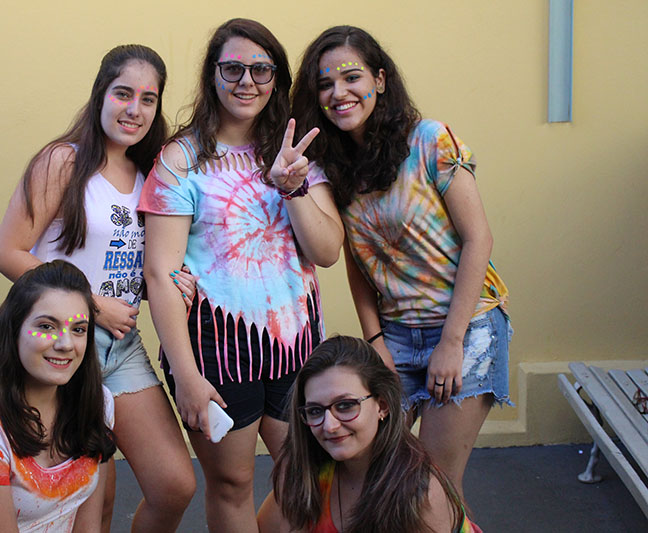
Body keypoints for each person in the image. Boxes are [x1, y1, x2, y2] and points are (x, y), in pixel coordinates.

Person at [289, 25, 512, 499]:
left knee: (434, 484)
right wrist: (376, 344)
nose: (338, 93)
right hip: (395, 336)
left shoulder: (430, 141)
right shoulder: (334, 166)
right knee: (369, 469)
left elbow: (479, 239)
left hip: (467, 327)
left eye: (351, 77)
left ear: (380, 80)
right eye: (325, 84)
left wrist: (451, 342)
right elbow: (357, 263)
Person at [139, 18, 343, 533]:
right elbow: (161, 274)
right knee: (232, 484)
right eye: (232, 69)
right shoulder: (180, 160)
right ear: (212, 75)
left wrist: (294, 187)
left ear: (276, 79)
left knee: (309, 474)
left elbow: (327, 251)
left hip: (297, 346)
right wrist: (187, 376)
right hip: (217, 352)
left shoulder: (296, 150)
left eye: (260, 70)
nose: (246, 81)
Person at [0, 45, 195, 532]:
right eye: (123, 94)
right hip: (63, 342)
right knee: (91, 505)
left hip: (122, 347)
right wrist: (92, 305)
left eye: (148, 99)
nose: (134, 109)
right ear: (100, 94)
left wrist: (170, 282)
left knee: (174, 484)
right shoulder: (64, 161)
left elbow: (126, 266)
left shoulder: (148, 174)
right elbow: (6, 253)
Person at [0, 260, 117, 532]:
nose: (65, 344)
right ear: (14, 331)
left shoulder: (97, 403)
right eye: (46, 326)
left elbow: (88, 526)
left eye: (78, 329)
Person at [273, 335, 482, 532]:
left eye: (345, 406)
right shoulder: (303, 474)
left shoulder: (420, 493)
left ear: (382, 406)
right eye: (315, 411)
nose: (329, 425)